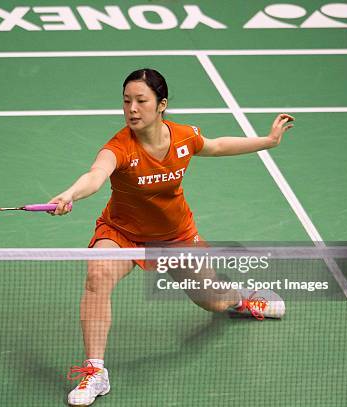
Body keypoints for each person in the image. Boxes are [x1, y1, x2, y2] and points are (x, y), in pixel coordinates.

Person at [49, 68, 294, 406]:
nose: (132, 109)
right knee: (98, 274)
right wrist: (72, 193)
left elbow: (217, 145)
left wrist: (268, 141)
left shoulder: (182, 137)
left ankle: (241, 298)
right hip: (122, 233)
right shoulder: (119, 147)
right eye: (126, 101)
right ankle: (96, 371)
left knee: (212, 301)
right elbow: (95, 174)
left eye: (141, 101)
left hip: (175, 236)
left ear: (161, 104)